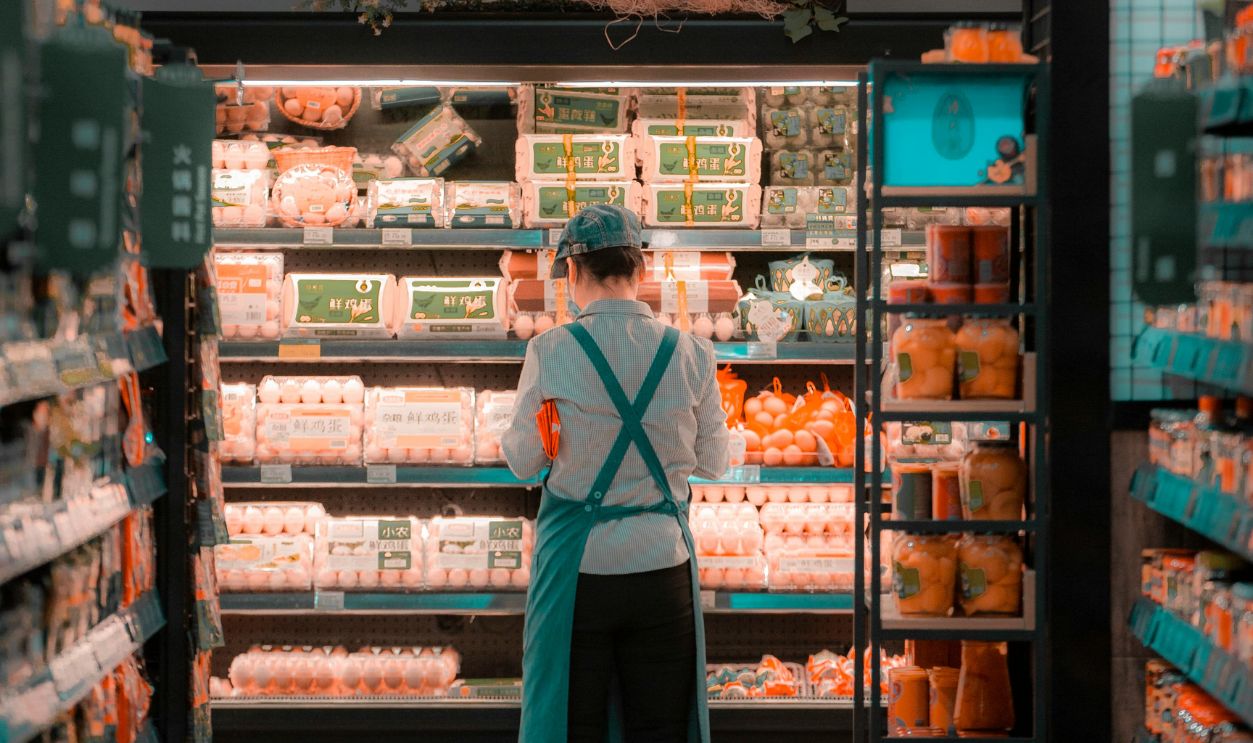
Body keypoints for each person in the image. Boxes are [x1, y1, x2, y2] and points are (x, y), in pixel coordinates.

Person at [503, 204, 730, 743]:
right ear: (641, 271)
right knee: (660, 728)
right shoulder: (694, 352)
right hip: (663, 568)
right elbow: (716, 461)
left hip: (581, 571)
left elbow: (522, 461)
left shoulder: (550, 350)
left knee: (572, 724)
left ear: (575, 274)